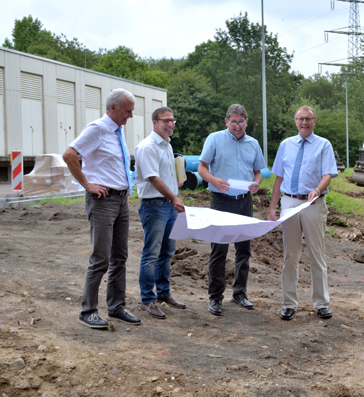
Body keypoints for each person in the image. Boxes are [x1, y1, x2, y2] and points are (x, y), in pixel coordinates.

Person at [63, 88, 141, 329]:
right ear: (114, 107)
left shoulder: (118, 131)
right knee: (101, 258)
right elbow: (69, 155)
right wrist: (87, 184)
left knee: (120, 256)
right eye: (128, 111)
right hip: (103, 201)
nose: (130, 115)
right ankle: (88, 311)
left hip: (119, 200)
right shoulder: (97, 129)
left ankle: (116, 306)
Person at [267, 106, 338, 321]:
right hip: (289, 202)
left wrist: (317, 190)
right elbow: (279, 178)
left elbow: (328, 174)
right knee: (290, 255)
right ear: (295, 121)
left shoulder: (323, 145)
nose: (304, 123)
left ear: (315, 121)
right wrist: (272, 206)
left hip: (313, 204)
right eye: (300, 119)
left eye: (308, 119)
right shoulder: (285, 145)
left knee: (316, 254)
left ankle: (321, 303)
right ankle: (288, 303)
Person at [198, 104, 265, 316]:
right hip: (221, 200)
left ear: (246, 122)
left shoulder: (253, 144)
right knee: (219, 249)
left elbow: (258, 172)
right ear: (226, 122)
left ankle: (240, 293)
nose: (237, 126)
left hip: (244, 201)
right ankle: (215, 297)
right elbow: (201, 168)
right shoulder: (215, 139)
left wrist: (256, 183)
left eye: (241, 122)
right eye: (233, 122)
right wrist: (214, 180)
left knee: (243, 249)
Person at [135, 107, 186, 319]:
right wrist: (174, 198)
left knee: (167, 253)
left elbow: (166, 175)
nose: (170, 124)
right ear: (154, 123)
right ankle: (147, 299)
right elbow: (153, 178)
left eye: (172, 120)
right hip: (154, 206)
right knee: (151, 255)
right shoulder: (147, 147)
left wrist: (177, 183)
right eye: (165, 120)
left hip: (168, 206)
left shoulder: (166, 144)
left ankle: (163, 293)